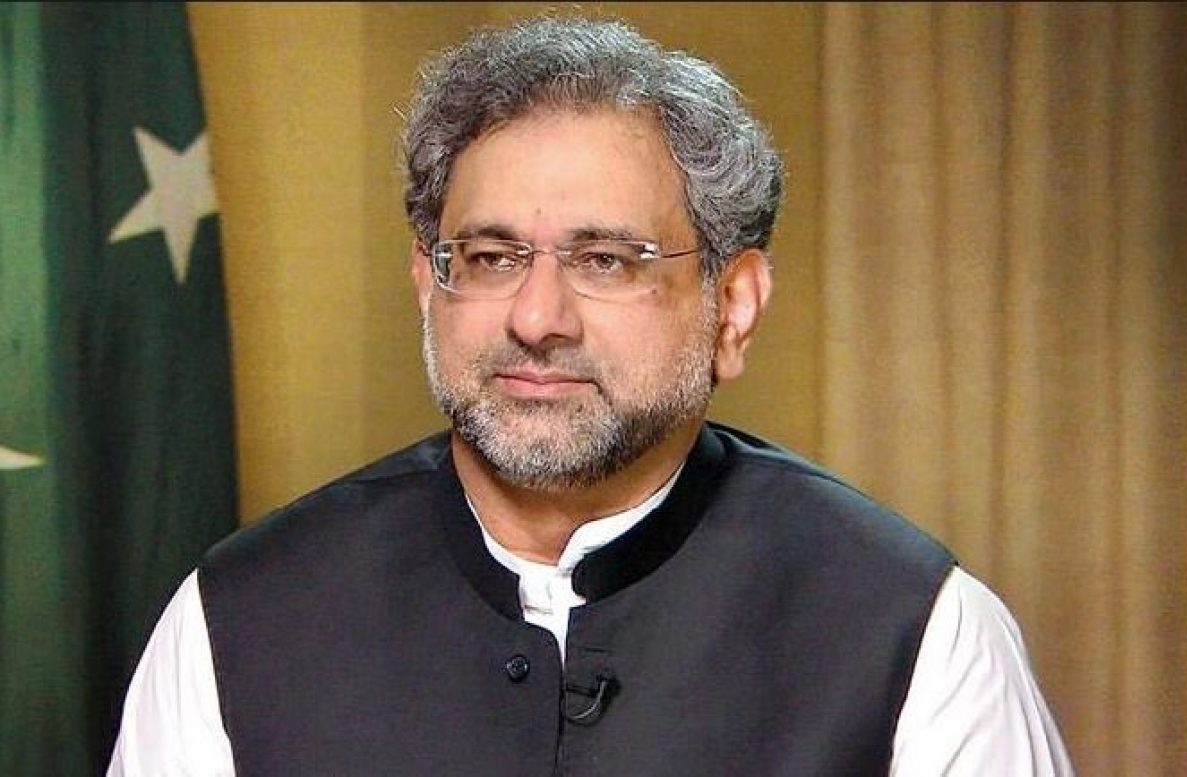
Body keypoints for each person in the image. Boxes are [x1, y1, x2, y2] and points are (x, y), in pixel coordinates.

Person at [108, 15, 1073, 776]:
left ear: (733, 308)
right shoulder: (239, 620)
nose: (538, 317)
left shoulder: (915, 631)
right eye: (490, 257)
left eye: (606, 260)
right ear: (427, 287)